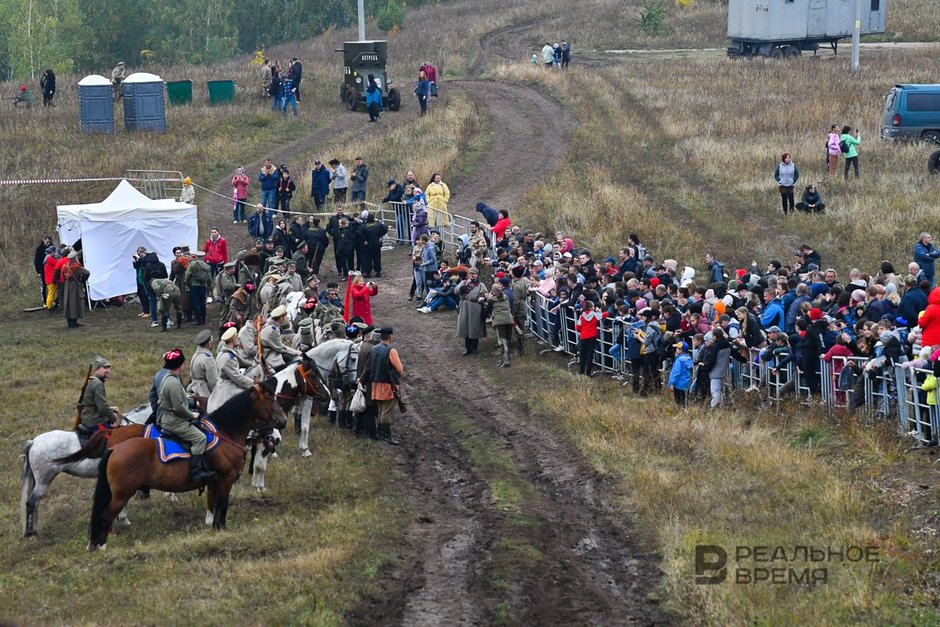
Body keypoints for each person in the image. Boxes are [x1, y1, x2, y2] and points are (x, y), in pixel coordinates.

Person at [155, 349, 215, 482]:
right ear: (179, 365)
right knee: (200, 438)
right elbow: (179, 408)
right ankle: (196, 471)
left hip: (170, 417)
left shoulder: (169, 378)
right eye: (182, 363)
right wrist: (192, 415)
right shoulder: (174, 383)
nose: (184, 366)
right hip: (175, 421)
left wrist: (191, 401)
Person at [208, 327, 256, 412]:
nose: (238, 339)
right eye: (236, 337)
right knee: (247, 396)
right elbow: (237, 378)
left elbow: (242, 362)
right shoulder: (228, 357)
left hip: (225, 383)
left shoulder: (223, 353)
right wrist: (253, 384)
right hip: (227, 387)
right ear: (233, 340)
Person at [370, 327, 404, 445]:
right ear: (390, 336)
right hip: (388, 385)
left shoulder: (373, 349)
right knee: (386, 412)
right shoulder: (391, 351)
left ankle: (380, 434)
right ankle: (386, 436)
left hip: (375, 384)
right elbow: (399, 369)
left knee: (381, 410)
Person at [78, 356, 120, 436]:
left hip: (87, 417)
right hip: (94, 420)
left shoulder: (91, 381)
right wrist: (114, 419)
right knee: (110, 441)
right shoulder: (98, 384)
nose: (108, 370)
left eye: (108, 368)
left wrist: (111, 409)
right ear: (97, 369)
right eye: (105, 368)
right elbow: (102, 407)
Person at [455, 269, 487, 355]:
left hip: (475, 307)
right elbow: (456, 291)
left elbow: (485, 295)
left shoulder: (481, 285)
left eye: (474, 274)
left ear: (477, 275)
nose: (472, 276)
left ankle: (474, 348)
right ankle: (467, 348)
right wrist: (465, 284)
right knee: (466, 327)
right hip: (465, 306)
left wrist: (483, 299)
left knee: (475, 327)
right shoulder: (463, 283)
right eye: (470, 274)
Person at [576, 300, 607, 377]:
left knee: (582, 355)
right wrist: (601, 311)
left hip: (583, 337)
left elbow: (577, 327)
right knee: (590, 355)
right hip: (592, 337)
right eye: (593, 306)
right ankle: (588, 373)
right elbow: (605, 315)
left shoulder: (581, 316)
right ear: (590, 307)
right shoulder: (595, 315)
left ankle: (581, 372)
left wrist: (583, 331)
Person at [488, 278, 514, 367]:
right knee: (507, 339)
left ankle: (505, 360)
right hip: (509, 320)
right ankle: (505, 358)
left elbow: (489, 309)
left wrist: (489, 298)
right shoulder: (506, 296)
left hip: (499, 322)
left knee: (502, 341)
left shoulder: (491, 300)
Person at [61, 251, 90, 328]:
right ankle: (74, 321)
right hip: (74, 285)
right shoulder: (76, 267)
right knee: (75, 303)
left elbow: (62, 275)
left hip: (67, 285)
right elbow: (87, 272)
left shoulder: (64, 266)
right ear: (74, 258)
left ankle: (69, 321)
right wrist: (83, 280)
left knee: (68, 303)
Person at [189, 329, 219, 400]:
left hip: (193, 387)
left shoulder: (195, 355)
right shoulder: (207, 358)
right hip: (203, 391)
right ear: (209, 343)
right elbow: (213, 381)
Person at [185, 250, 211, 326]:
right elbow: (209, 278)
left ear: (196, 256)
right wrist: (209, 286)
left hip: (194, 285)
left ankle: (199, 320)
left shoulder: (192, 264)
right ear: (203, 257)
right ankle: (203, 319)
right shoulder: (207, 266)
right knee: (202, 302)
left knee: (196, 302)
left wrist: (186, 282)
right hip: (204, 285)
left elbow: (188, 274)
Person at [359, 212, 389, 277]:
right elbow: (386, 228)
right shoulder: (378, 224)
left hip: (367, 244)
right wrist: (380, 235)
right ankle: (378, 272)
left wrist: (364, 239)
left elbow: (359, 233)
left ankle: (368, 272)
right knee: (377, 258)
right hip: (376, 243)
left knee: (367, 258)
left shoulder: (363, 225)